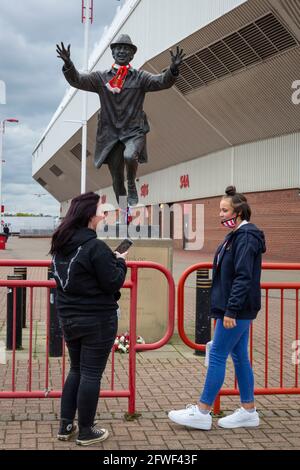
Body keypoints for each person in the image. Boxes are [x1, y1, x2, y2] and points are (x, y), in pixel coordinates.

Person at [168, 186, 266, 430]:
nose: (220, 214)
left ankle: (202, 411)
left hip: (235, 311)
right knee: (240, 357)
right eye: (220, 210)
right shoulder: (236, 236)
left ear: (239, 212)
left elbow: (243, 277)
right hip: (237, 309)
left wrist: (231, 310)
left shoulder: (244, 238)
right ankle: (248, 410)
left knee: (218, 355)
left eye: (225, 210)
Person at [56, 35, 185, 206]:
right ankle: (125, 213)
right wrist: (68, 64)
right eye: (118, 48)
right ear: (113, 52)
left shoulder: (140, 77)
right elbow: (78, 80)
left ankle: (132, 183)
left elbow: (161, 81)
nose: (122, 51)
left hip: (134, 131)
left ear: (132, 55)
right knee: (117, 179)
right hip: (110, 134)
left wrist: (173, 69)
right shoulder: (101, 78)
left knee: (130, 155)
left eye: (126, 49)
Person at [50, 192, 127, 446]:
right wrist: (121, 264)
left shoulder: (60, 244)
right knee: (91, 374)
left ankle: (65, 425)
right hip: (97, 319)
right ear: (89, 215)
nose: (104, 215)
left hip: (69, 318)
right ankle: (86, 430)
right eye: (101, 211)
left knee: (76, 369)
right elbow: (112, 282)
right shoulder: (95, 247)